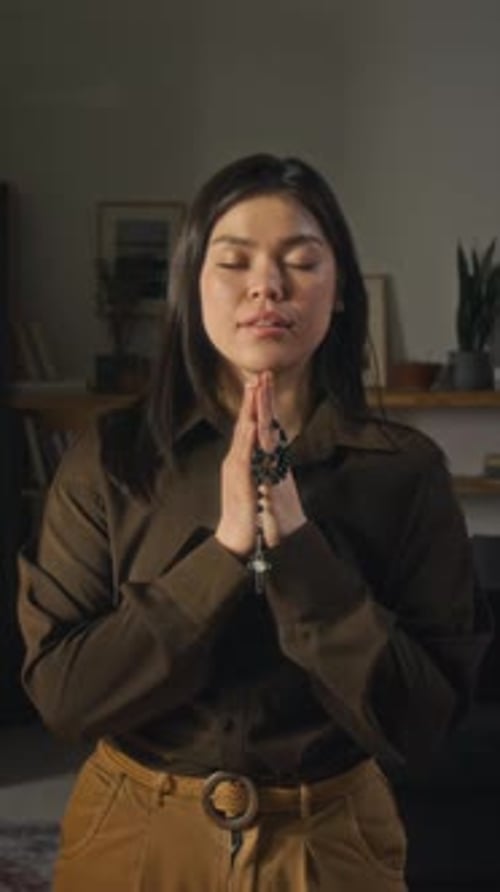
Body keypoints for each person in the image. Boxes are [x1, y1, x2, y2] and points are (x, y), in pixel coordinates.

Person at [17, 154, 490, 892]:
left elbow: (421, 720)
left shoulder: (406, 472)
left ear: (339, 295)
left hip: (331, 839)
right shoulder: (111, 459)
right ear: (192, 289)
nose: (267, 285)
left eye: (301, 261)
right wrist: (227, 549)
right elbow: (64, 698)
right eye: (233, 261)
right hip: (135, 833)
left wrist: (298, 544)